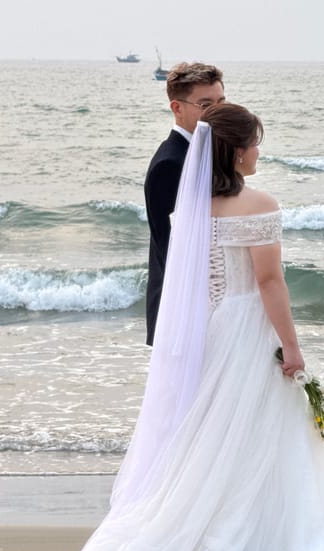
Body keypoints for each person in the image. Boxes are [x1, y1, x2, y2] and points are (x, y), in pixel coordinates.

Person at [0, 104, 324, 551]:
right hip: (249, 326)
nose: (258, 153)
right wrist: (292, 347)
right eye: (254, 143)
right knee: (259, 434)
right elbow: (271, 283)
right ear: (234, 150)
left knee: (213, 433)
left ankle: (201, 532)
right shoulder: (260, 205)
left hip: (210, 329)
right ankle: (264, 540)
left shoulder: (193, 206)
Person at [144, 62, 225, 345]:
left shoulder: (204, 150)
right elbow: (168, 244)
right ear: (177, 108)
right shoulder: (170, 163)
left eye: (221, 101)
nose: (217, 111)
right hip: (181, 308)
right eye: (205, 104)